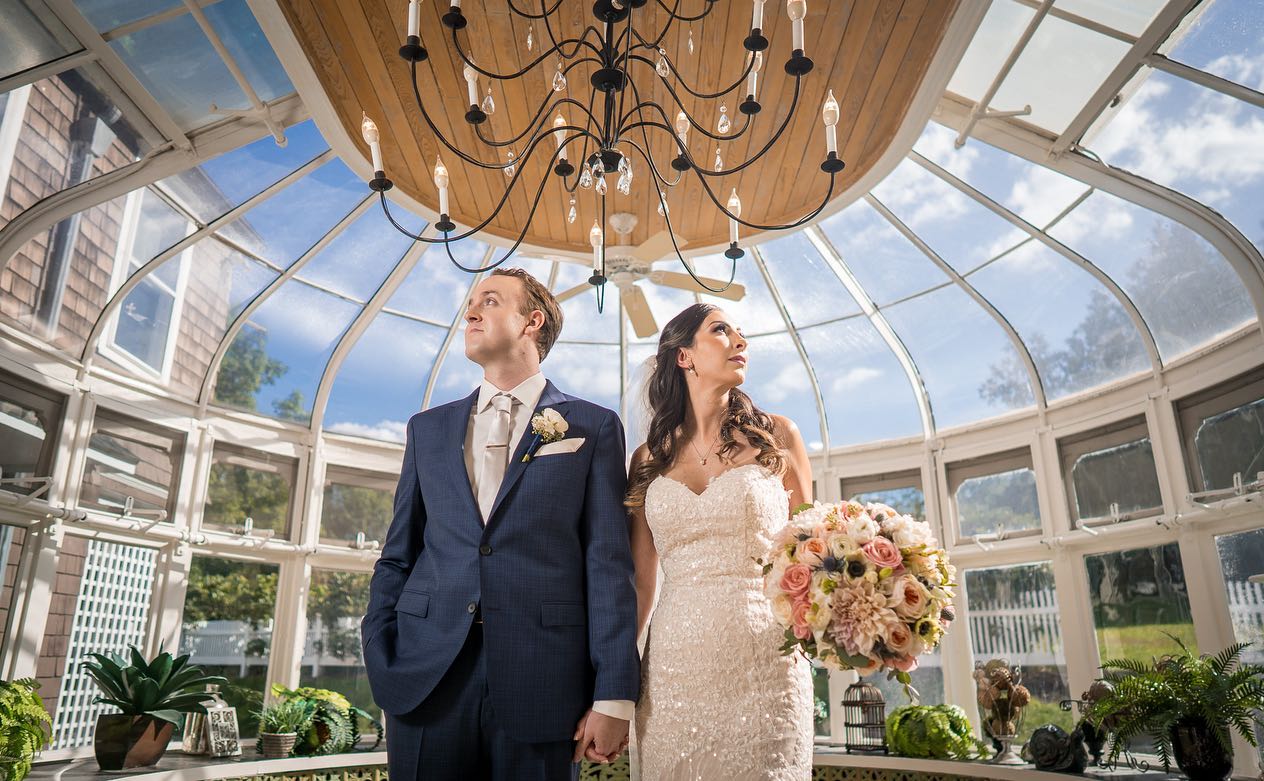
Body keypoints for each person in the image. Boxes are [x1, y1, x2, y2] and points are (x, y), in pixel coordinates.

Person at [361, 268, 640, 781]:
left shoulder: (593, 427)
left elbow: (608, 566)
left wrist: (615, 695)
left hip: (545, 682)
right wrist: (381, 651)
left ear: (533, 321)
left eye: (489, 300)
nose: (470, 311)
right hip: (426, 678)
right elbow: (398, 555)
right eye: (470, 301)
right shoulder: (427, 429)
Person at [627, 302, 815, 780]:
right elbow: (640, 587)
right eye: (721, 330)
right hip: (673, 666)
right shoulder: (648, 458)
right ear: (684, 356)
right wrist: (613, 683)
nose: (740, 341)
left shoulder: (779, 436)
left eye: (740, 332)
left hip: (766, 660)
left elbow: (813, 555)